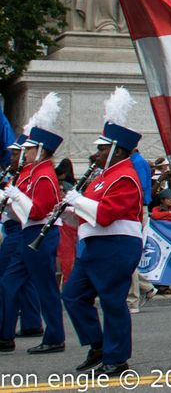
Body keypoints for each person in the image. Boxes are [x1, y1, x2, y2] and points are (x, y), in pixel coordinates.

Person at [59, 88, 145, 377]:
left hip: (117, 245)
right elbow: (88, 216)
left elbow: (106, 215)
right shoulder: (101, 178)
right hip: (96, 246)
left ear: (117, 151)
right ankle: (98, 345)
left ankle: (117, 358)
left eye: (101, 149)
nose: (95, 154)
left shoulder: (126, 176)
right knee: (72, 295)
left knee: (111, 300)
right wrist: (71, 211)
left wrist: (78, 200)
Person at [1, 92, 66, 355]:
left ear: (40, 151)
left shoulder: (44, 175)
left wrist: (15, 197)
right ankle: (4, 336)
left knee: (45, 287)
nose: (24, 153)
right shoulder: (32, 174)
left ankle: (55, 336)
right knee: (7, 283)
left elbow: (38, 211)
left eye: (28, 149)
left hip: (40, 234)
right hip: (28, 234)